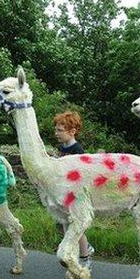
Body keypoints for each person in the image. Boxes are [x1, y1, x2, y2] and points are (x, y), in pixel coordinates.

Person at [53, 111, 95, 268]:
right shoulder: (61, 147)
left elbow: (81, 172)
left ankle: (85, 257)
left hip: (76, 193)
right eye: (56, 130)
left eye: (60, 130)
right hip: (64, 192)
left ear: (72, 131)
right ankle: (72, 250)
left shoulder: (78, 149)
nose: (56, 133)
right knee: (62, 223)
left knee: (76, 226)